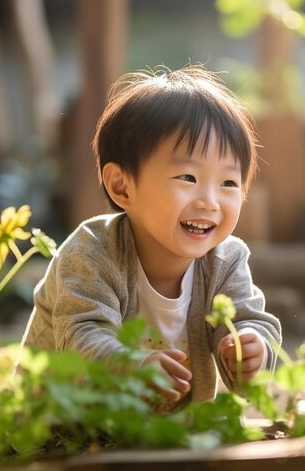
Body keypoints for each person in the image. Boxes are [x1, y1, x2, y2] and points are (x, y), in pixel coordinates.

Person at [21, 64, 281, 407]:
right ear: (122, 186)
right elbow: (82, 338)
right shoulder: (92, 252)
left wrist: (253, 351)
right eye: (187, 177)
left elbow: (248, 319)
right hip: (60, 430)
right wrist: (133, 368)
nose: (210, 201)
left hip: (169, 436)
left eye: (229, 183)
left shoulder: (226, 260)